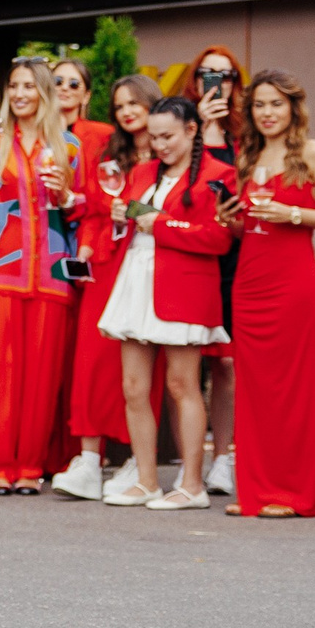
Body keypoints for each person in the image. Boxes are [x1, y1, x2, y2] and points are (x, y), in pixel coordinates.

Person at [97, 97, 233, 508]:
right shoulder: (142, 171)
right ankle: (147, 479)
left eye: (168, 136)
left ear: (192, 130)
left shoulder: (219, 173)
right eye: (154, 137)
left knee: (181, 384)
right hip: (137, 280)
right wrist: (122, 217)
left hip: (185, 285)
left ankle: (192, 484)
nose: (160, 145)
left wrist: (162, 225)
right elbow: (134, 223)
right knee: (133, 387)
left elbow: (220, 238)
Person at [228, 70, 315, 518]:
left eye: (276, 104)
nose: (267, 113)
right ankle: (256, 487)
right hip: (250, 282)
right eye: (259, 105)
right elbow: (251, 228)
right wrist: (233, 222)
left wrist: (293, 213)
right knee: (255, 389)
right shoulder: (249, 156)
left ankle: (291, 492)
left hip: (293, 282)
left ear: (293, 108)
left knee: (292, 388)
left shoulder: (312, 152)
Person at [0, 57, 80, 493]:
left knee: (42, 376)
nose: (20, 93)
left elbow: (76, 210)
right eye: (14, 86)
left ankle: (29, 467)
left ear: (44, 92)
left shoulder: (69, 146)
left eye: (29, 85)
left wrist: (67, 193)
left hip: (51, 272)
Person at [59, 74, 161, 500]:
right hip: (105, 260)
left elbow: (169, 204)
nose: (127, 111)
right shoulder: (109, 154)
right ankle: (88, 458)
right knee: (93, 358)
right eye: (120, 106)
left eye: (135, 102)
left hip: (153, 260)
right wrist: (82, 249)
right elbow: (91, 208)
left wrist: (130, 210)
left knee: (143, 364)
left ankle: (139, 459)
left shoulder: (168, 152)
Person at [46, 56, 118, 500]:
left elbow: (106, 198)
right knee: (50, 354)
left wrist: (73, 197)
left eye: (75, 82)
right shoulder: (32, 135)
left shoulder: (103, 137)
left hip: (91, 246)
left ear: (88, 94)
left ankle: (88, 454)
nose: (66, 88)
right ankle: (50, 454)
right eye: (57, 81)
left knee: (89, 355)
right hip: (40, 247)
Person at [182, 45, 244, 497]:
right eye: (208, 73)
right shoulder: (182, 125)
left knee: (226, 362)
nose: (217, 82)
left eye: (226, 75)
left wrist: (222, 129)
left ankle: (223, 457)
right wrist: (203, 126)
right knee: (183, 365)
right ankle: (189, 462)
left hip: (234, 255)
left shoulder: (248, 135)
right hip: (188, 251)